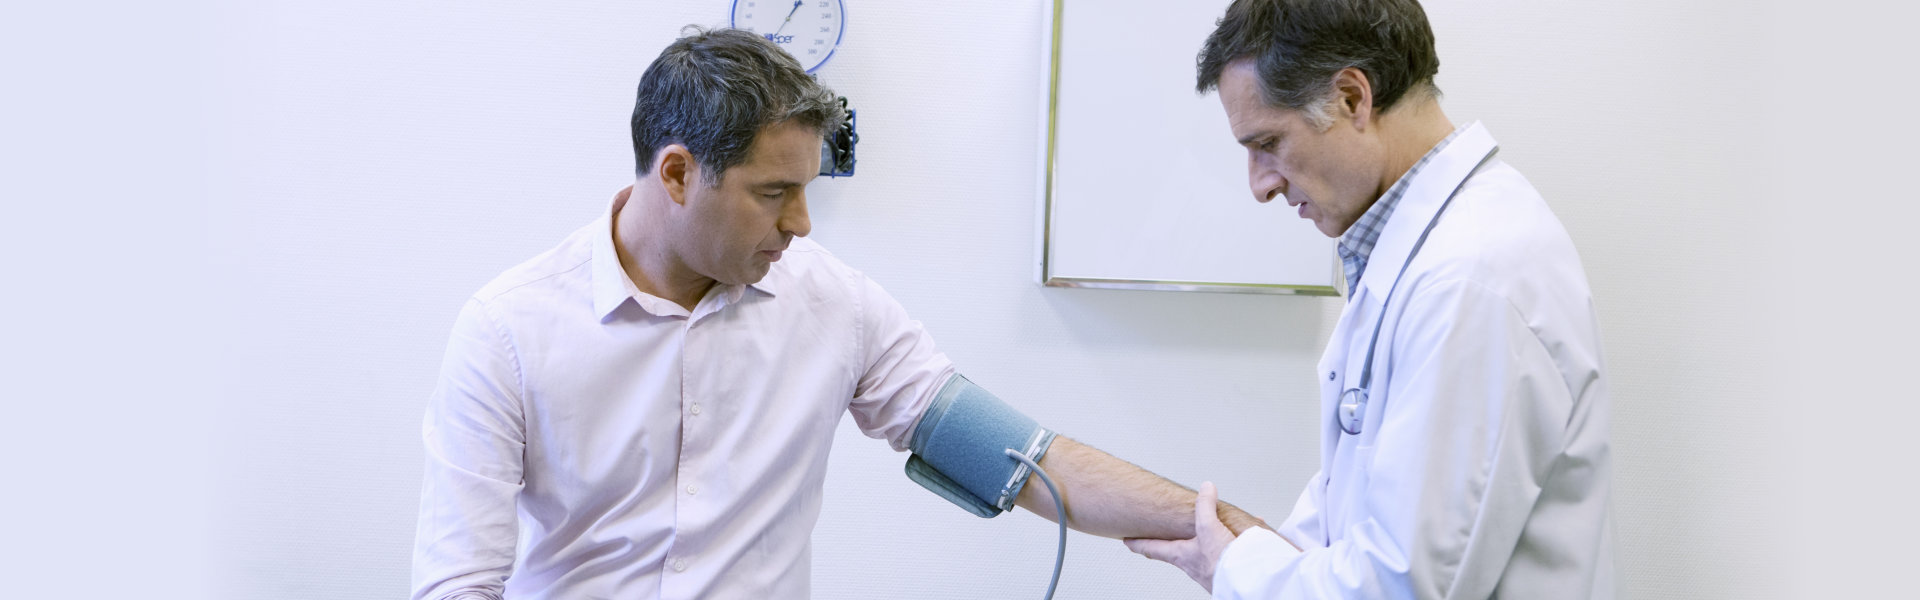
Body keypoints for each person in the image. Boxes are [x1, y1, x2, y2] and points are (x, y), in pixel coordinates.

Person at [410, 27, 1267, 600]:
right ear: (676, 174)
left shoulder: (832, 304)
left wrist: (1231, 534)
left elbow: (1024, 462)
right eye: (773, 193)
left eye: (807, 190)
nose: (801, 224)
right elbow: (458, 584)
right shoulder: (509, 333)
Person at [1122, 1, 1615, 597]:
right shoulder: (1419, 254)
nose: (1260, 184)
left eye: (1268, 142)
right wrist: (1248, 556)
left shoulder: (1470, 278)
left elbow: (1399, 585)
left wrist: (1233, 568)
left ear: (1353, 98)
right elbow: (1348, 514)